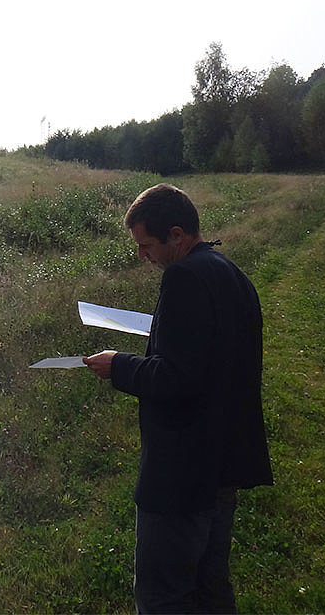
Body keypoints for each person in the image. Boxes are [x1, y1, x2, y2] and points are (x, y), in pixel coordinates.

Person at [84, 183, 272, 614]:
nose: (141, 255)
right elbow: (211, 357)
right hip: (221, 463)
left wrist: (119, 365)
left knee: (163, 595)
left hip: (183, 472)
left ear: (176, 234)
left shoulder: (184, 277)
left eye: (146, 244)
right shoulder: (230, 273)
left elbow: (177, 377)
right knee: (211, 588)